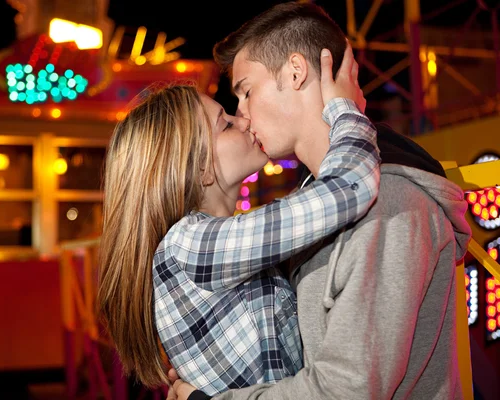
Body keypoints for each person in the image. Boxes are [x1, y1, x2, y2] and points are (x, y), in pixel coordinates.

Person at [168, 2, 472, 399]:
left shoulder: (389, 203)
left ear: (296, 72)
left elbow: (346, 390)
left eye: (246, 91)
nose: (241, 114)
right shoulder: (314, 205)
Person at [96, 41, 381, 395]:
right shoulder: (189, 246)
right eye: (226, 124)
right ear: (200, 168)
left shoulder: (207, 244)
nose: (243, 120)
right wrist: (346, 110)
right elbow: (349, 188)